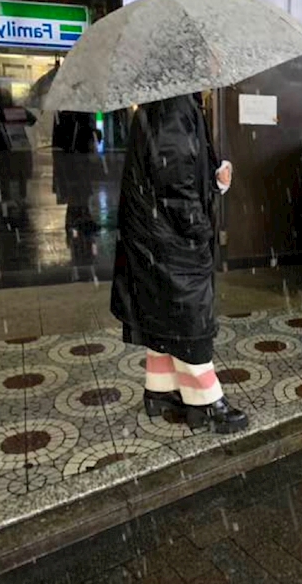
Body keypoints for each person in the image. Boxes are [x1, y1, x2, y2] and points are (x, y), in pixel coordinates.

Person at [111, 93, 247, 433]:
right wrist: (199, 228)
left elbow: (177, 170)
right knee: (189, 318)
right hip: (171, 236)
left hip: (155, 233)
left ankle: (161, 389)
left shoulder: (164, 101)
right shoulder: (175, 106)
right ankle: (205, 401)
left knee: (165, 312)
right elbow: (173, 182)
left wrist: (213, 178)